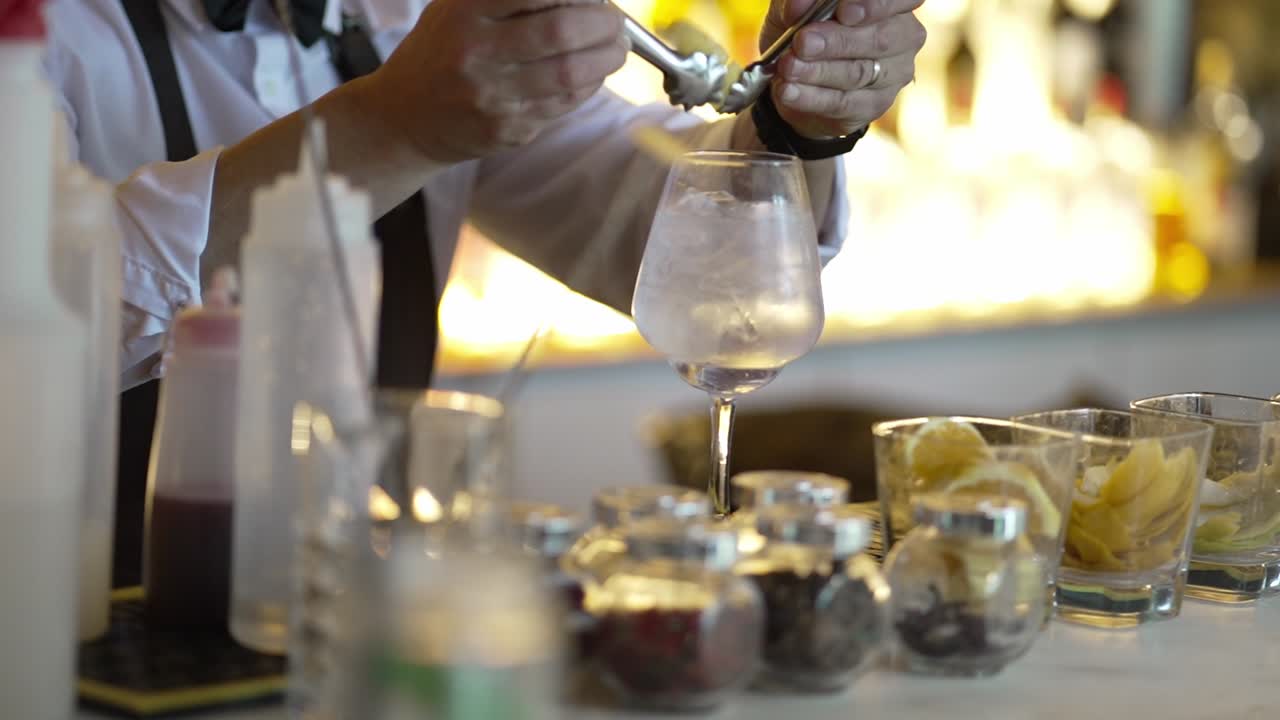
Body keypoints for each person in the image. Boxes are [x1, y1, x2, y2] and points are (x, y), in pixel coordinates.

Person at [41, 0, 926, 586]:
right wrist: (393, 122)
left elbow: (704, 275)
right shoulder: (41, 33)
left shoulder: (394, 13)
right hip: (60, 623)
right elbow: (38, 330)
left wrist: (793, 122)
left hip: (351, 620)